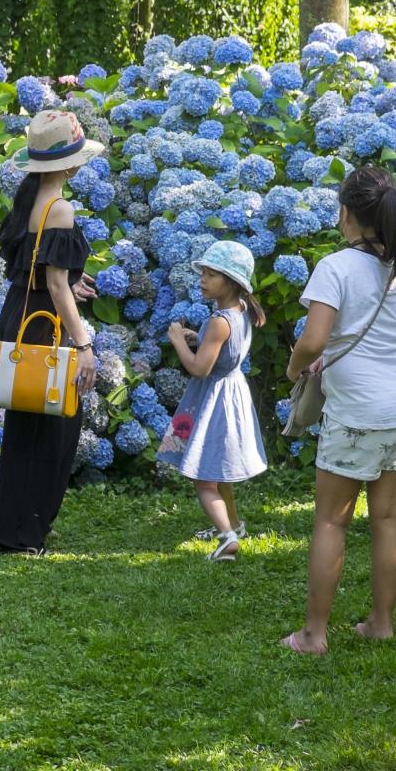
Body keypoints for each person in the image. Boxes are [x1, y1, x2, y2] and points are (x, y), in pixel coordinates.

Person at [282, 166, 396, 655]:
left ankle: (313, 635)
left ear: (346, 213)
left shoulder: (337, 267)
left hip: (359, 410)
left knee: (331, 521)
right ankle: (381, 624)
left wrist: (293, 368)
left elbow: (315, 339)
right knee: (388, 517)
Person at [0, 110, 102, 555]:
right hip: (45, 321)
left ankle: (14, 528)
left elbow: (35, 272)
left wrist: (69, 282)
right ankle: (24, 533)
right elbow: (54, 283)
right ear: (69, 164)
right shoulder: (60, 208)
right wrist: (84, 345)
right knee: (53, 426)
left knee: (26, 424)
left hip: (22, 312)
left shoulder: (29, 199)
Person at [156, 241, 268, 562]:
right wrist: (199, 337)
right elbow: (221, 348)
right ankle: (234, 523)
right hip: (230, 393)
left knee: (204, 477)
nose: (202, 279)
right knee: (220, 471)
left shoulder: (220, 321)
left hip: (213, 400)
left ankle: (227, 538)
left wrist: (179, 341)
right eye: (203, 273)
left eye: (210, 274)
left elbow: (199, 367)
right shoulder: (239, 311)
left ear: (230, 281)